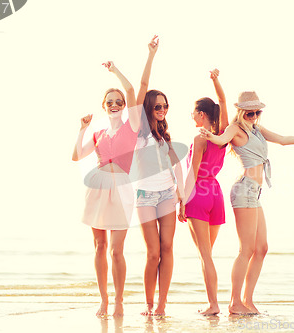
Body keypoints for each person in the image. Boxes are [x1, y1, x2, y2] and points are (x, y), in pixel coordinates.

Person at [199, 91, 294, 315]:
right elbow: (221, 139)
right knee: (246, 249)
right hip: (244, 190)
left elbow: (283, 140)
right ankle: (234, 302)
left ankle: (247, 300)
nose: (254, 116)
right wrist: (209, 136)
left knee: (262, 248)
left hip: (255, 192)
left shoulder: (257, 129)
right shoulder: (235, 129)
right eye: (250, 112)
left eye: (257, 112)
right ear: (241, 111)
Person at [72, 61, 140, 317]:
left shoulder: (132, 126)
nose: (114, 104)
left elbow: (132, 90)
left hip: (121, 188)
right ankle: (104, 300)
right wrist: (82, 129)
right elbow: (76, 156)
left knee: (116, 249)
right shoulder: (99, 131)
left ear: (123, 106)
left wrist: (115, 71)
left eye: (118, 101)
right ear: (104, 105)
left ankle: (119, 300)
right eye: (110, 101)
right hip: (97, 187)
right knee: (99, 246)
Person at [134, 36, 184, 316]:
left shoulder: (164, 136)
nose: (162, 110)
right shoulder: (139, 130)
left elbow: (177, 165)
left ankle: (162, 305)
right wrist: (151, 55)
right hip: (145, 197)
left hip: (167, 194)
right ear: (148, 109)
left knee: (167, 248)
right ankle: (149, 304)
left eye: (165, 106)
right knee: (153, 253)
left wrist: (181, 193)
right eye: (157, 106)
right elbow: (142, 88)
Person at [178, 69, 228, 315]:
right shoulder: (223, 133)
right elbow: (224, 102)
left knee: (204, 256)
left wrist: (181, 202)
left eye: (193, 113)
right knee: (208, 254)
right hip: (216, 194)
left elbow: (192, 174)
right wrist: (216, 80)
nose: (191, 117)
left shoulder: (200, 138)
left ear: (201, 114)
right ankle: (214, 303)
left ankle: (213, 305)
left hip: (199, 194)